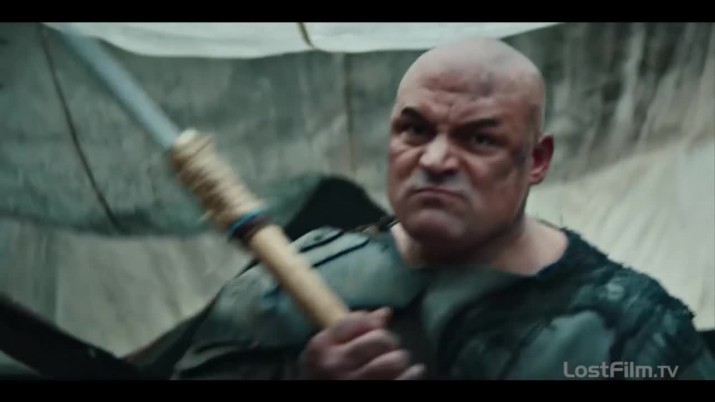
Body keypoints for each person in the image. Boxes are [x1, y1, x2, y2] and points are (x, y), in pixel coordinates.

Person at [156, 37, 715, 380]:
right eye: (416, 130)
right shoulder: (286, 282)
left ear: (537, 160)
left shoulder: (632, 332)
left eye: (479, 138)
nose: (435, 159)